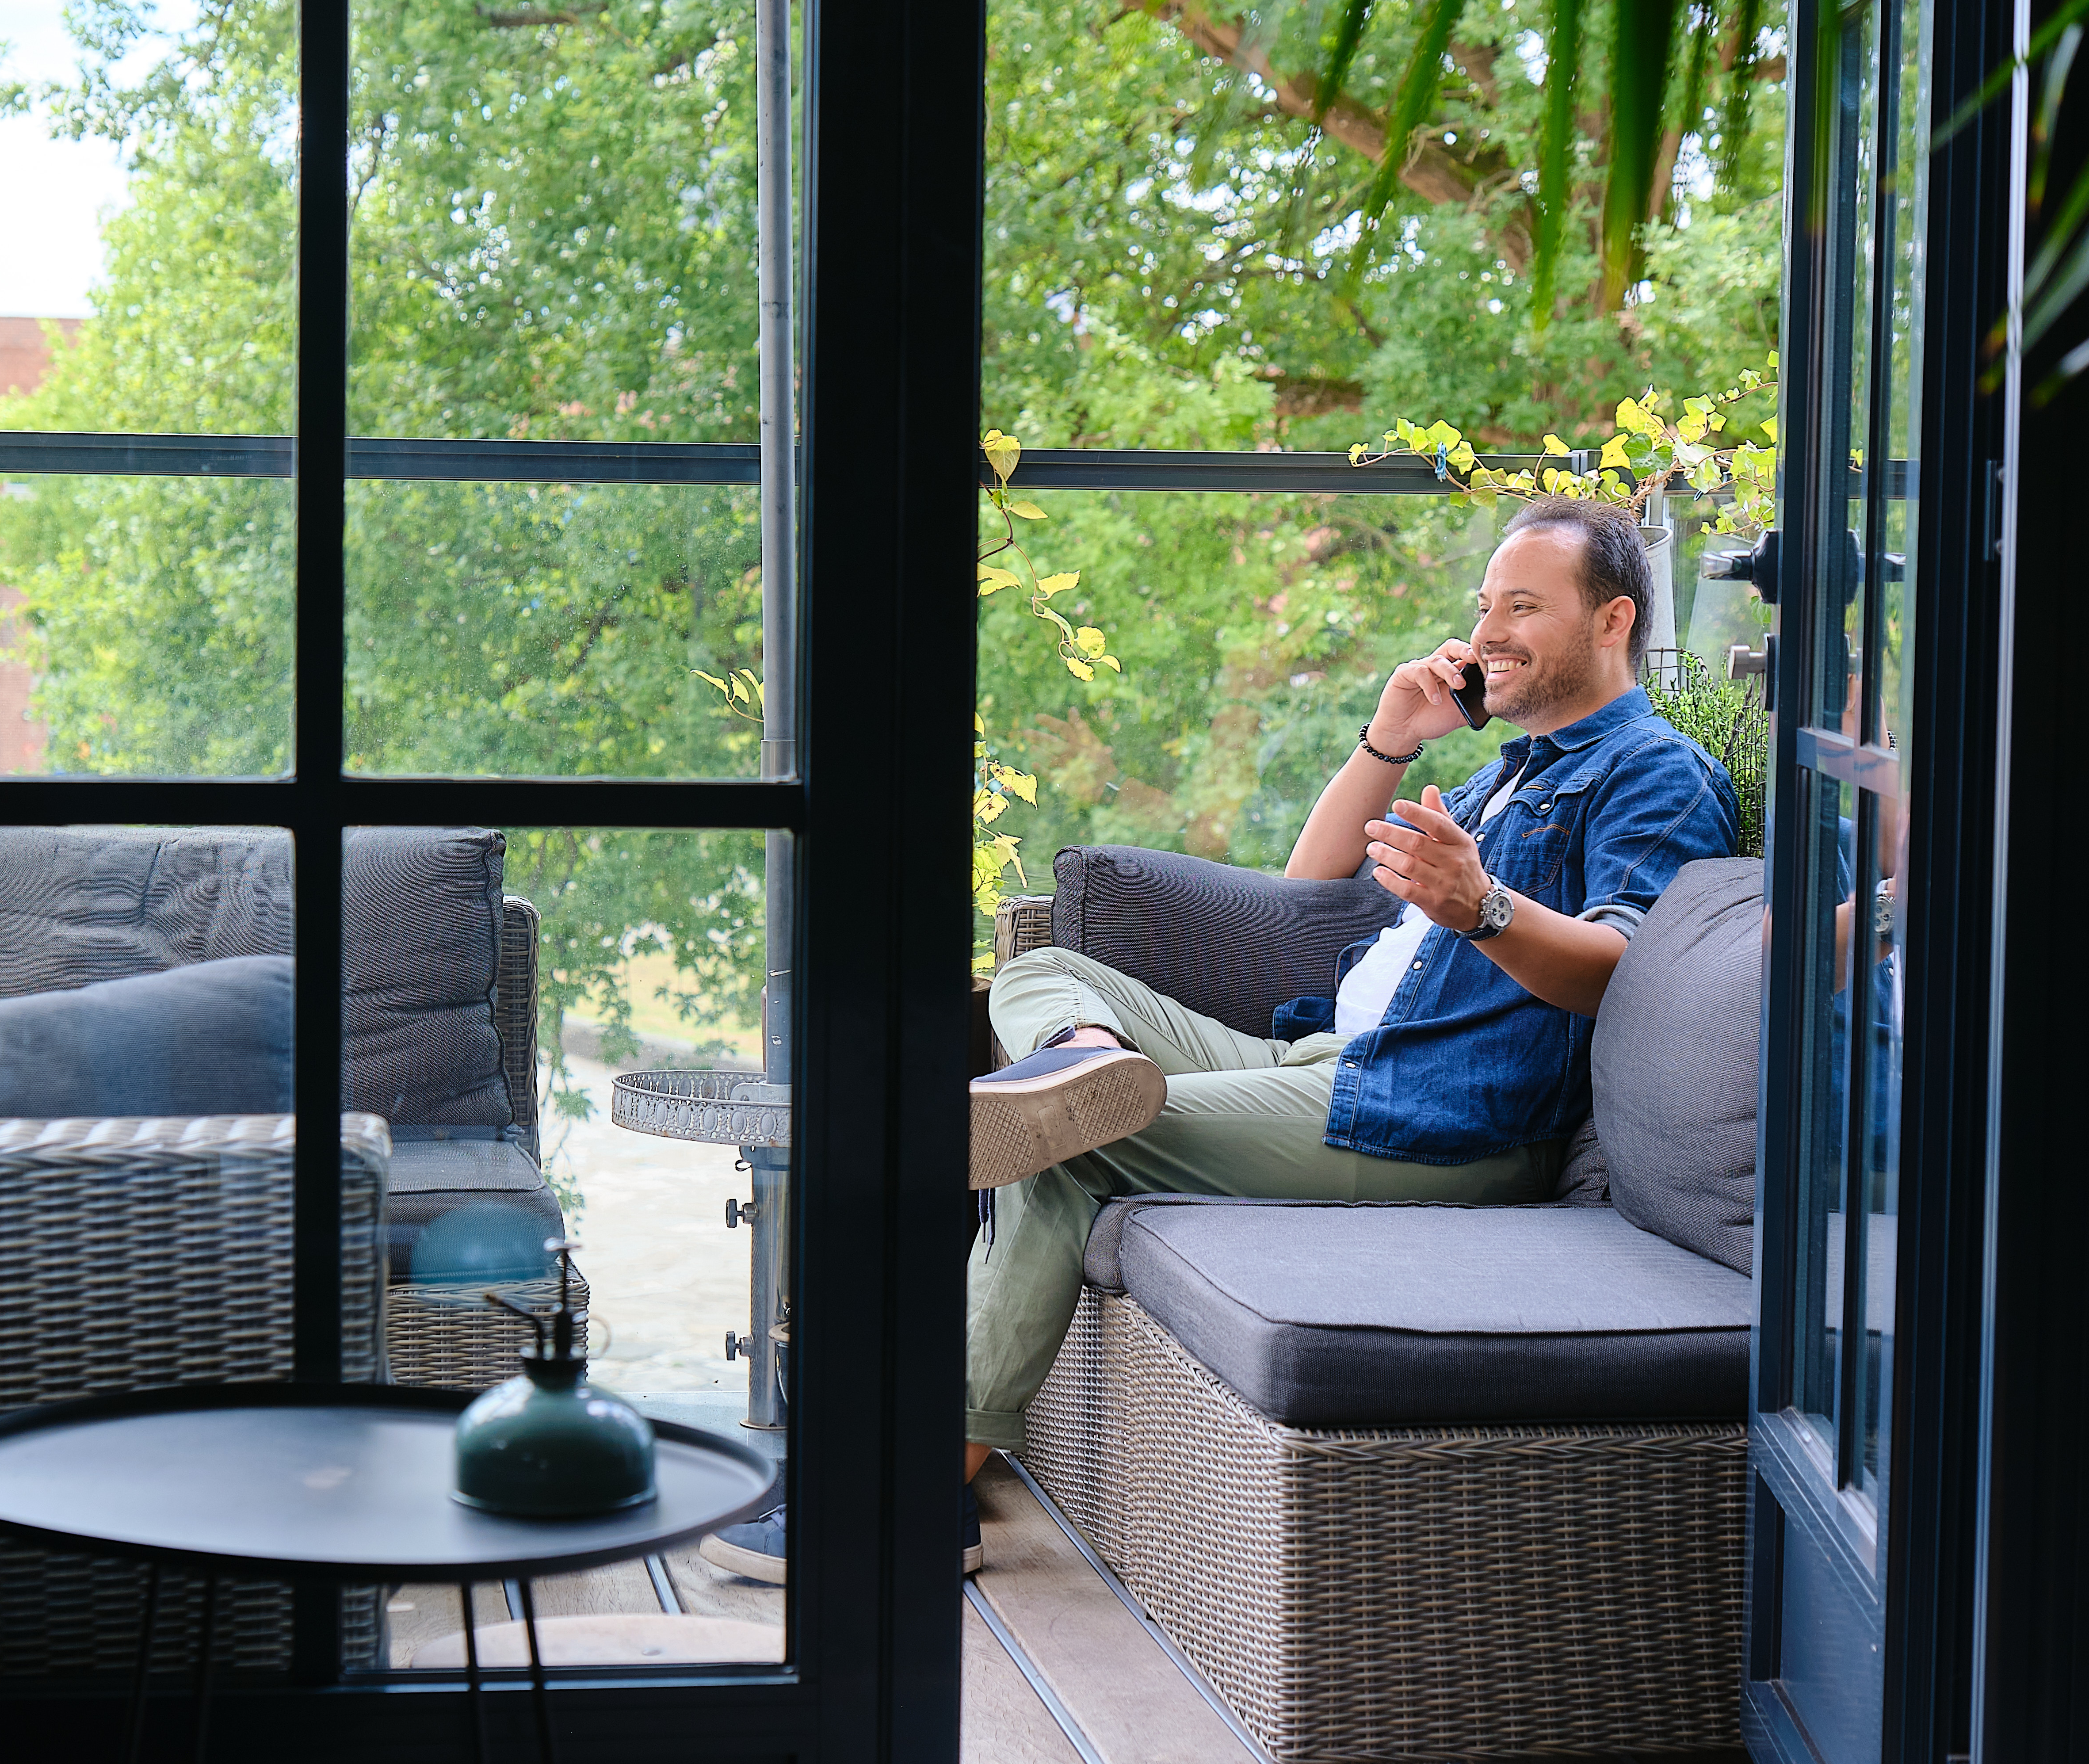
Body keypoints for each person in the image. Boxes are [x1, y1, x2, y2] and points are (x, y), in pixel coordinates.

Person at [702, 495, 1738, 1587]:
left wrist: (1480, 906)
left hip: (1437, 1118)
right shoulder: (1511, 769)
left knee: (1062, 1148)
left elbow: (1633, 975)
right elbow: (1307, 886)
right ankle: (1085, 1060)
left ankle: (910, 1495)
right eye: (1484, 605)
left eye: (1522, 607)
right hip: (1330, 1064)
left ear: (1613, 621)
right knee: (1038, 967)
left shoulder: (1652, 775)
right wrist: (1390, 736)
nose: (1486, 633)